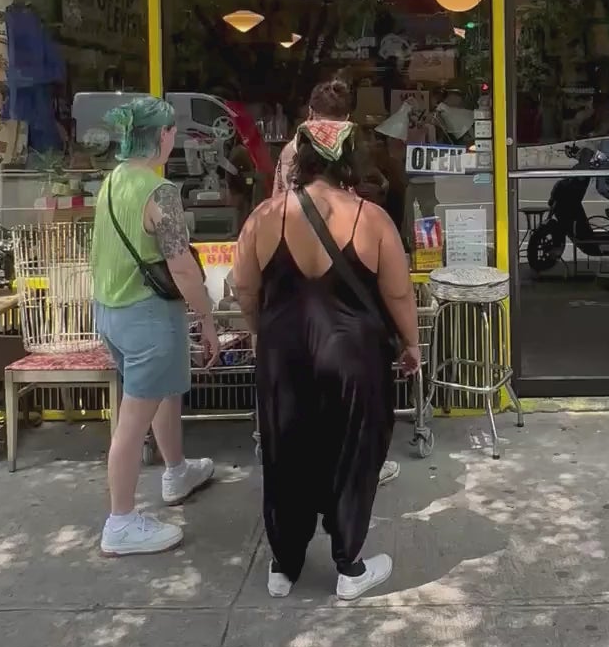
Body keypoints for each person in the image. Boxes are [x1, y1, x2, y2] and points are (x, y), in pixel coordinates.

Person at [231, 117, 421, 600]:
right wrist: (413, 343)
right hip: (355, 355)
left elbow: (244, 288)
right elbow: (398, 294)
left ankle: (283, 564)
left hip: (284, 352)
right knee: (354, 452)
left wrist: (260, 332)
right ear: (349, 160)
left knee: (284, 452)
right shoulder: (371, 218)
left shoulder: (265, 216)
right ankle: (349, 567)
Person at [91, 97, 221, 557]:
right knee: (131, 425)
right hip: (147, 318)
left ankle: (177, 470)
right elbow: (182, 266)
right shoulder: (159, 191)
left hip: (111, 311)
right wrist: (207, 317)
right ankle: (121, 521)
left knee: (163, 390)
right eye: (172, 132)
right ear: (163, 137)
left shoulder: (110, 182)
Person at [273, 78, 352, 195]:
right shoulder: (353, 147)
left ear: (310, 111)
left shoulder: (292, 150)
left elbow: (278, 200)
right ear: (347, 117)